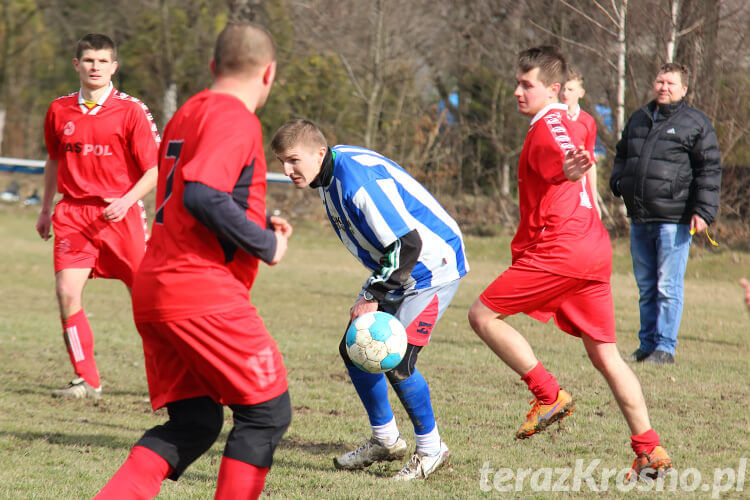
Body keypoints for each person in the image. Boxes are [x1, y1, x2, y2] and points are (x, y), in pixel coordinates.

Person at [94, 23, 292, 499]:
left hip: (156, 285)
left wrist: (256, 222)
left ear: (212, 67)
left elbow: (195, 193)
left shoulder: (189, 110)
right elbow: (204, 194)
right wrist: (267, 244)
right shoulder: (235, 117)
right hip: (198, 289)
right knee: (267, 413)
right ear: (269, 72)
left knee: (197, 421)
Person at [467, 46, 672, 480]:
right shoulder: (569, 119)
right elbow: (570, 148)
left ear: (554, 89)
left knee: (482, 314)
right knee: (607, 356)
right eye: (517, 83)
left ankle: (547, 394)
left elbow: (561, 154)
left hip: (562, 249)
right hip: (593, 248)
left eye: (527, 85)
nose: (517, 92)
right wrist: (572, 164)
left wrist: (568, 167)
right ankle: (649, 451)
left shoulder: (548, 127)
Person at [271, 119, 469, 480]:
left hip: (430, 267)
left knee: (397, 360)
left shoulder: (354, 180)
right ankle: (386, 440)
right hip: (396, 266)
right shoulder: (326, 174)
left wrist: (373, 295)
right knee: (355, 348)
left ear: (318, 153)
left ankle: (431, 448)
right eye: (282, 161)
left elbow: (408, 243)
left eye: (293, 160)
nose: (286, 170)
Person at [36, 33, 160, 399]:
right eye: (89, 60)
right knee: (65, 292)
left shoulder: (132, 109)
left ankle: (173, 375)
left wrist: (126, 200)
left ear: (114, 67)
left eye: (103, 61)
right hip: (73, 213)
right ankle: (86, 380)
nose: (95, 67)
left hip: (120, 216)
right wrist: (46, 208)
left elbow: (154, 171)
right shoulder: (59, 109)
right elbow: (53, 160)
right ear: (77, 65)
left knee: (149, 301)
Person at [610, 62, 721, 364]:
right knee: (646, 288)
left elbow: (709, 170)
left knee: (667, 286)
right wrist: (618, 181)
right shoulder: (639, 118)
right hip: (640, 218)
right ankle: (646, 346)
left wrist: (703, 211)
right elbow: (621, 153)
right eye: (660, 81)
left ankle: (665, 348)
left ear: (684, 89)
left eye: (670, 83)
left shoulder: (695, 123)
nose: (663, 87)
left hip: (675, 220)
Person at [562, 68, 602, 219]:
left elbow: (590, 162)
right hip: (556, 189)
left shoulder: (588, 122)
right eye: (563, 89)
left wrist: (594, 200)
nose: (565, 93)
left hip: (579, 190)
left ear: (581, 93)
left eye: (571, 89)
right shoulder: (552, 118)